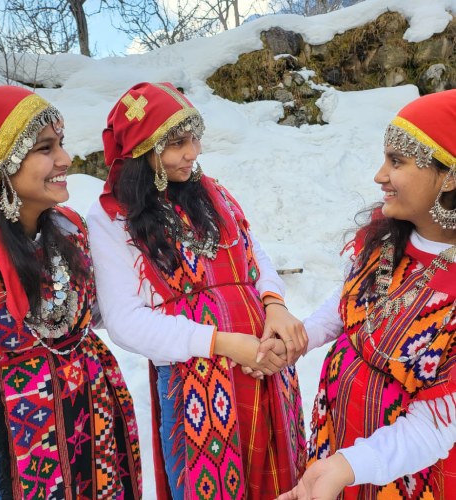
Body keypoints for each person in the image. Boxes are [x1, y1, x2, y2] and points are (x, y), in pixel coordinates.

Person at [86, 82, 307, 500]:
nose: (194, 152)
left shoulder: (213, 193)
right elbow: (124, 321)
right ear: (143, 151)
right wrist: (223, 343)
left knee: (283, 485)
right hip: (196, 387)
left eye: (195, 138)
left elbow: (253, 253)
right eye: (177, 144)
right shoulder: (112, 217)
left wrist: (274, 305)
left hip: (264, 367)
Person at [0, 85, 141, 500]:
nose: (65, 159)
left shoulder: (69, 229)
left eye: (61, 143)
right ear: (0, 166)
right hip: (4, 440)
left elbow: (98, 313)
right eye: (45, 148)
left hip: (88, 414)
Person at [276, 90, 456, 500]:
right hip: (341, 441)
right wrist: (303, 337)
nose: (379, 175)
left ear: (449, 177)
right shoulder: (386, 236)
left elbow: (435, 424)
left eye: (397, 161)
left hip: (404, 469)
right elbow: (348, 302)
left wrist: (348, 466)